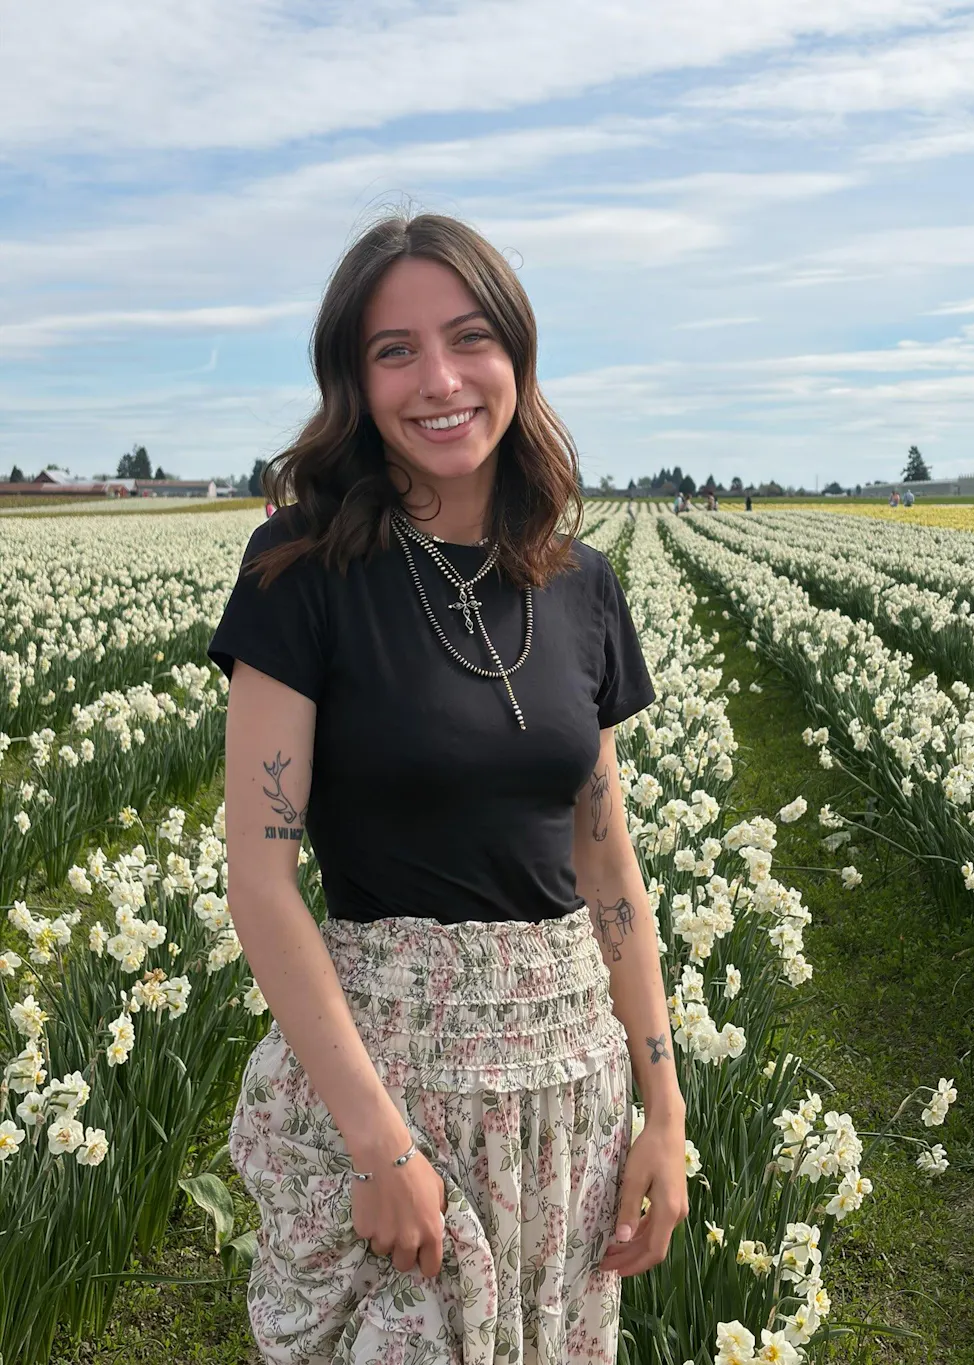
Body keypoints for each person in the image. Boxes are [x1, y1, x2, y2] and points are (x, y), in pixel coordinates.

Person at [207, 212, 688, 1365]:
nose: (439, 380)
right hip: (388, 1086)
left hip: (569, 1092)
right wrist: (377, 1145)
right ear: (355, 382)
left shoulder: (582, 585)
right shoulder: (299, 573)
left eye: (469, 338)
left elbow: (604, 861)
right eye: (395, 351)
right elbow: (260, 884)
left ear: (515, 353)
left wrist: (664, 1111)